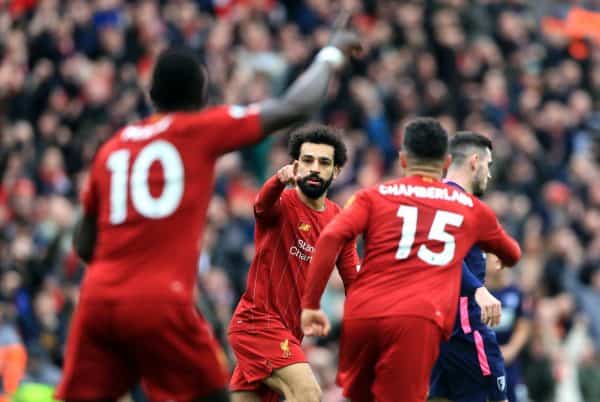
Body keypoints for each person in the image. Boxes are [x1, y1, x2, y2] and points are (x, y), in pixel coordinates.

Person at [56, 14, 361, 402]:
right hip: (159, 300)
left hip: (97, 300)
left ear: (151, 93)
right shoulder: (198, 129)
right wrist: (331, 53)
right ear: (201, 97)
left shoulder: (112, 148)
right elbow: (295, 105)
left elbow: (84, 245)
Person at [300, 118, 522, 402]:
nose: (489, 174)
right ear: (445, 162)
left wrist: (312, 302)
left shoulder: (373, 195)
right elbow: (511, 252)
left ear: (403, 160)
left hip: (370, 316)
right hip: (436, 324)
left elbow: (331, 238)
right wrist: (488, 272)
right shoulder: (465, 206)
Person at [228, 124, 359, 402]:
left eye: (324, 162)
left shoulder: (341, 223)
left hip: (289, 335)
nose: (314, 168)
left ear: (336, 171)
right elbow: (261, 205)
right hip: (258, 324)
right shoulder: (283, 203)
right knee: (308, 393)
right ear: (296, 165)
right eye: (307, 161)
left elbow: (355, 283)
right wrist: (278, 180)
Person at [429, 132, 514, 402]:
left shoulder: (434, 197)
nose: (489, 175)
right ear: (475, 162)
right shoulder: (459, 203)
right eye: (488, 166)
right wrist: (479, 290)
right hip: (464, 327)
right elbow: (446, 257)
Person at [487, 255, 533, 402]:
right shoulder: (477, 293)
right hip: (482, 360)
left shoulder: (516, 292)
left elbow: (524, 326)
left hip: (509, 363)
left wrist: (510, 350)